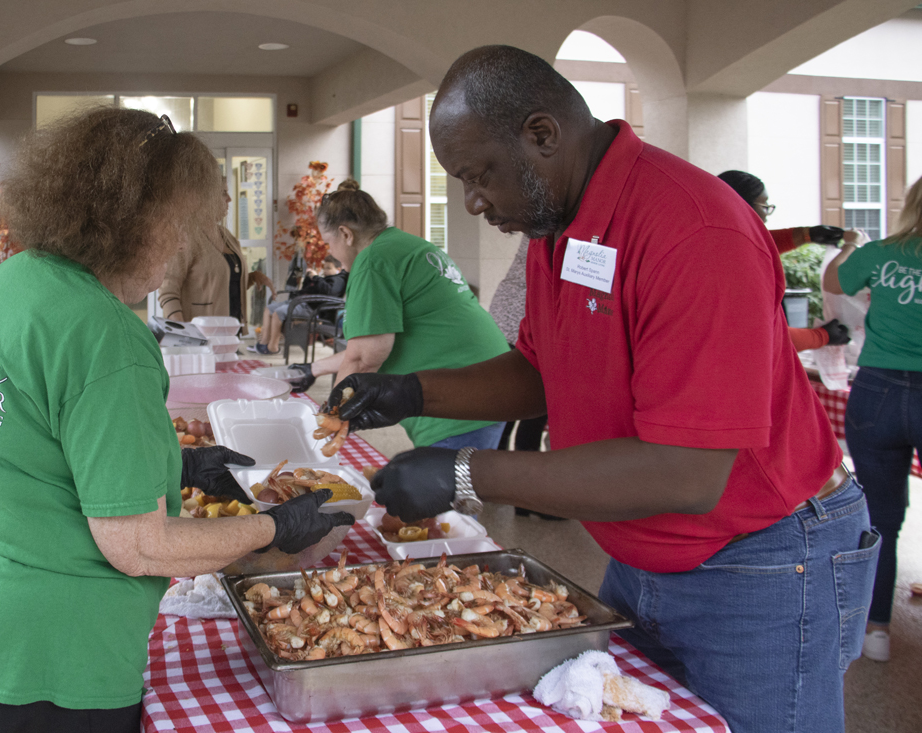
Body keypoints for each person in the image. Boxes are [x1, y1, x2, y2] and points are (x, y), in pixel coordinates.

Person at [326, 46, 878, 733]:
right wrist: (413, 391)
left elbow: (687, 472)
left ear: (542, 135)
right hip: (642, 553)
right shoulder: (558, 222)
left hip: (759, 558)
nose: (472, 201)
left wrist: (466, 472)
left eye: (478, 175)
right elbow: (539, 372)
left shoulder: (692, 229)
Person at [0, 108, 352, 733]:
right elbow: (140, 547)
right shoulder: (104, 336)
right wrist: (270, 528)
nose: (180, 244)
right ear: (127, 220)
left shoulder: (11, 283)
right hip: (67, 650)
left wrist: (175, 464)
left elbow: (38, 445)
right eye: (177, 224)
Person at [301, 178, 510, 450]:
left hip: (458, 400)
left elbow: (363, 360)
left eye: (328, 242)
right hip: (488, 381)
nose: (331, 252)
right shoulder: (401, 244)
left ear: (346, 234)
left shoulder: (372, 261)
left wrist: (329, 418)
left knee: (443, 489)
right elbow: (374, 344)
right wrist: (312, 369)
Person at [822, 174, 922, 663]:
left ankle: (876, 629)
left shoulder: (882, 253)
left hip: (878, 390)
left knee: (881, 516)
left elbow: (833, 281)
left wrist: (849, 246)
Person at [717, 169, 851, 351]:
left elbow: (758, 245)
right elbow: (764, 335)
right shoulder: (738, 269)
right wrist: (822, 336)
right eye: (764, 206)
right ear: (743, 207)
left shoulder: (713, 244)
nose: (766, 215)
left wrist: (806, 234)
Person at [488, 235, 561, 520]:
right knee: (534, 409)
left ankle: (497, 486)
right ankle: (528, 498)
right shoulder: (557, 226)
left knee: (507, 411)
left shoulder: (536, 225)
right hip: (530, 320)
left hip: (505, 317)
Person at [158, 185, 273, 333]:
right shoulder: (186, 237)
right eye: (224, 193)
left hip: (231, 332)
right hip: (201, 335)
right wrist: (182, 330)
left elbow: (221, 284)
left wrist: (252, 277)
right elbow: (168, 289)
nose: (229, 199)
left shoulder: (227, 235)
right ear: (205, 199)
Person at [254, 254, 348, 355]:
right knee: (269, 309)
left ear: (338, 269)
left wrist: (315, 276)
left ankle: (273, 348)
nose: (325, 271)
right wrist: (308, 278)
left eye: (328, 268)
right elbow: (306, 289)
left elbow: (329, 291)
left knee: (278, 313)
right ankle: (264, 343)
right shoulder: (325, 279)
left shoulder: (338, 280)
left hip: (310, 308)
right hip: (299, 301)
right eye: (324, 268)